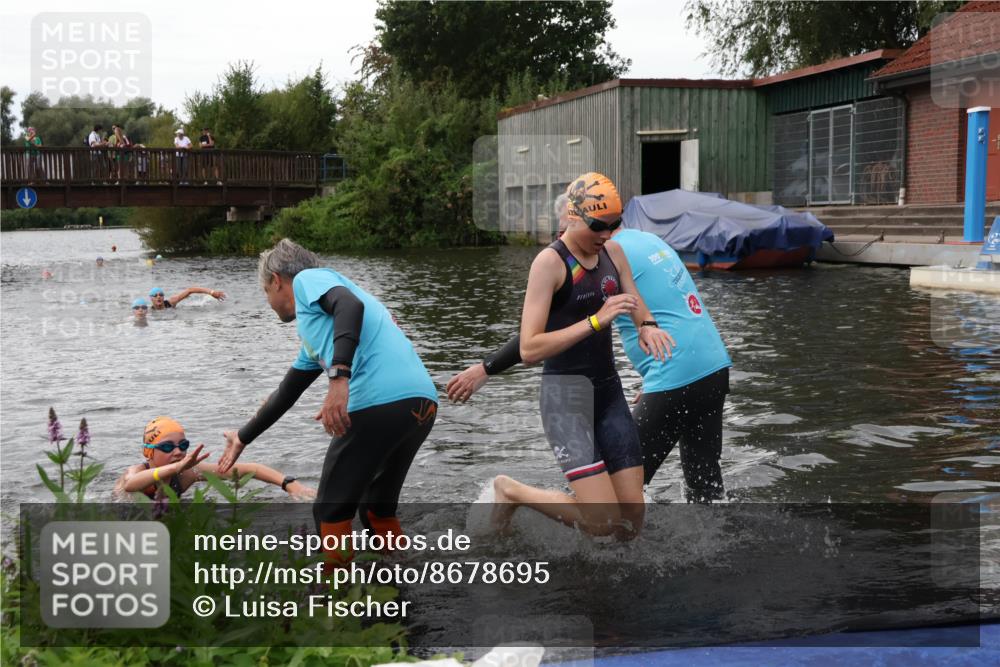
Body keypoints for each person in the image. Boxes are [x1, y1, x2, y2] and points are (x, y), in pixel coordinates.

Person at [448, 194, 732, 503]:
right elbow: (671, 310)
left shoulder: (605, 256)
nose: (561, 239)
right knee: (705, 489)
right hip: (712, 365)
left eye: (563, 229)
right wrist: (657, 379)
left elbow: (544, 332)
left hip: (673, 371)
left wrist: (486, 368)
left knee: (607, 499)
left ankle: (520, 501)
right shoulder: (648, 240)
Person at [216, 238, 438, 568]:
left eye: (265, 292)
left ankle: (338, 592)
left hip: (378, 400)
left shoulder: (308, 279)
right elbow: (286, 392)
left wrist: (338, 378)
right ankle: (401, 579)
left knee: (329, 510)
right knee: (376, 508)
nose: (269, 302)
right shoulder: (317, 332)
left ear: (276, 280)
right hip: (421, 404)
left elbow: (349, 306)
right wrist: (243, 436)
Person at [485, 173, 674, 540]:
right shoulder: (550, 263)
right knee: (602, 522)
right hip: (565, 398)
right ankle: (511, 492)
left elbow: (633, 299)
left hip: (608, 392)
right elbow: (529, 348)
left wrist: (647, 325)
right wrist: (595, 321)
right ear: (573, 217)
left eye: (614, 225)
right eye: (599, 226)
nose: (607, 234)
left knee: (632, 517)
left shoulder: (613, 253)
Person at [115, 416, 316, 501]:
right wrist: (175, 469)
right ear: (148, 452)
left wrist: (291, 485)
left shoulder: (188, 473)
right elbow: (130, 485)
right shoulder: (136, 472)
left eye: (183, 445)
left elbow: (250, 469)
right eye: (167, 447)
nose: (177, 452)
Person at [148, 285, 226, 310]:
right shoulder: (149, 311)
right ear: (151, 298)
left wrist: (212, 292)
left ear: (163, 296)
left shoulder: (171, 302)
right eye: (155, 295)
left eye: (161, 295)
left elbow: (190, 290)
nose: (158, 297)